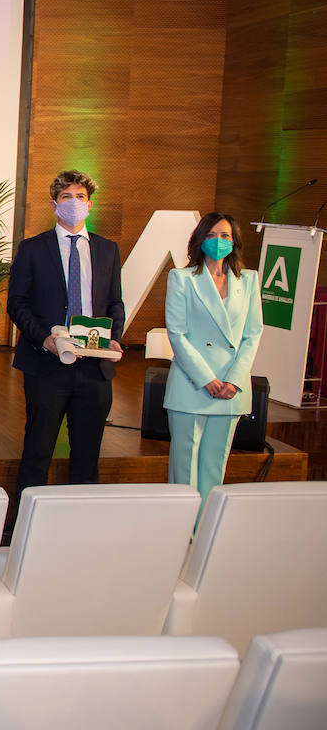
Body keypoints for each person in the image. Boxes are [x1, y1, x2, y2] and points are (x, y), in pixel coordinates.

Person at [7, 170, 125, 500]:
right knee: (37, 453)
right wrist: (44, 338)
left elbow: (115, 302)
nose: (74, 203)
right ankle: (23, 530)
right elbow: (17, 303)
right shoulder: (32, 249)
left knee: (87, 457)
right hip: (47, 366)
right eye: (66, 197)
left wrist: (114, 336)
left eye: (80, 197)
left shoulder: (107, 249)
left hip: (95, 366)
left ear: (90, 204)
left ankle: (81, 531)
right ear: (54, 204)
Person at [164, 213, 262, 512]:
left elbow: (252, 334)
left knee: (215, 466)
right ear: (199, 240)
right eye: (212, 235)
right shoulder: (181, 278)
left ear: (234, 242)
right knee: (185, 467)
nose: (219, 241)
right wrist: (206, 378)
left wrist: (233, 379)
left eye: (225, 236)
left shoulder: (248, 280)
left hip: (231, 388)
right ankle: (180, 531)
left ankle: (206, 532)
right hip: (192, 384)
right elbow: (177, 334)